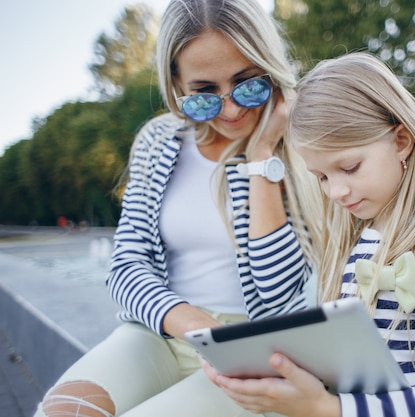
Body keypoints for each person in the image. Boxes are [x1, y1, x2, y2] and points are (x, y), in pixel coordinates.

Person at [34, 0, 321, 416]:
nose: (233, 109)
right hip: (163, 333)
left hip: (258, 348)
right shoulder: (159, 142)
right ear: (176, 83)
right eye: (204, 95)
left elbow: (280, 297)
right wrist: (197, 327)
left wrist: (262, 159)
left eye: (248, 84)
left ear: (268, 66)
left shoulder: (303, 146)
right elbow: (126, 266)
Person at [204, 52, 415, 417]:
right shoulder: (359, 245)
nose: (335, 192)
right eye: (323, 177)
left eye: (349, 167)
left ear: (402, 141)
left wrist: (327, 408)